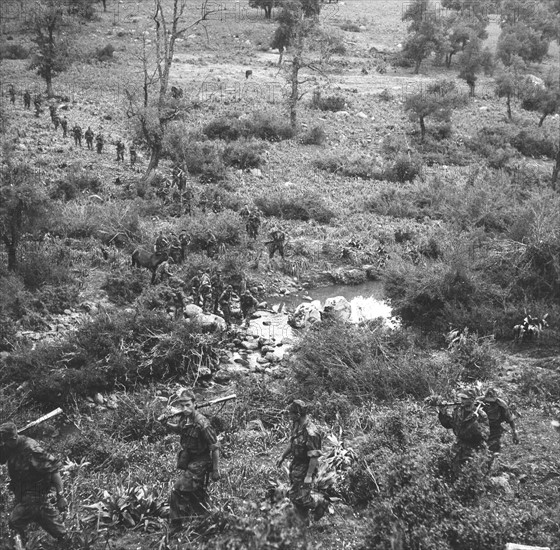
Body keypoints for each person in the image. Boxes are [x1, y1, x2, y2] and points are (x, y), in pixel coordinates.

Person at [160, 389, 220, 536]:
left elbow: (215, 447)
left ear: (194, 404)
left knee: (177, 489)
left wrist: (215, 470)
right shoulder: (184, 419)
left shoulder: (202, 423)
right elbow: (179, 430)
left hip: (201, 461)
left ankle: (176, 524)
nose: (185, 409)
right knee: (196, 492)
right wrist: (165, 423)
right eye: (182, 406)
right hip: (190, 460)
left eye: (188, 405)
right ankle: (206, 517)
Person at [0, 422, 69, 546]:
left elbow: (54, 471)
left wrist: (61, 496)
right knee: (49, 521)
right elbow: (2, 458)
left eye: (6, 442)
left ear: (13, 438)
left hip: (35, 494)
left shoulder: (31, 449)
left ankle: (22, 545)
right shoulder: (9, 445)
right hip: (24, 493)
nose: (4, 445)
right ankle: (64, 541)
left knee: (15, 522)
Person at [276, 400, 326, 524]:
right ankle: (304, 520)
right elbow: (292, 442)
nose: (289, 416)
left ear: (298, 414)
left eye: (291, 414)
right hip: (296, 465)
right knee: (293, 495)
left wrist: (309, 476)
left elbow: (314, 457)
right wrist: (282, 456)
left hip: (307, 466)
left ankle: (320, 502)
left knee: (303, 498)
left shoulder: (311, 433)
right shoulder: (296, 424)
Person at [438, 389, 489, 475]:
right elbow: (449, 424)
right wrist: (443, 413)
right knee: (455, 472)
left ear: (472, 400)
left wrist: (473, 423)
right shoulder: (458, 411)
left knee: (472, 474)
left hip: (475, 448)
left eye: (464, 398)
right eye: (461, 398)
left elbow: (485, 435)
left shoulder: (481, 414)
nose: (462, 400)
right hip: (459, 447)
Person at [482, 388, 519, 454]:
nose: (489, 403)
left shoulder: (501, 405)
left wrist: (514, 432)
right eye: (488, 400)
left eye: (492, 401)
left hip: (494, 429)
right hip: (480, 428)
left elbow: (510, 419)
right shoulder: (478, 401)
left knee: (493, 450)